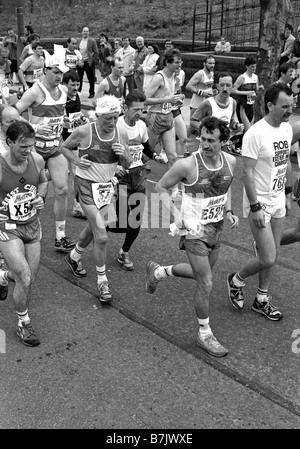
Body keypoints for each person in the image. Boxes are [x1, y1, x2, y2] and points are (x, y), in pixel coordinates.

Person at [146, 116, 239, 357]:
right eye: (203, 139)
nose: (205, 145)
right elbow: (160, 187)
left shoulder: (230, 161)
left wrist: (229, 211)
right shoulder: (188, 165)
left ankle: (158, 272)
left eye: (211, 141)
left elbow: (224, 188)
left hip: (216, 229)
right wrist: (176, 214)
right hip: (194, 231)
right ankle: (204, 333)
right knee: (205, 282)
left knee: (202, 272)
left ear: (224, 141)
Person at [227, 83, 296, 321]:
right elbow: (246, 173)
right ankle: (236, 280)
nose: (290, 110)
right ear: (270, 105)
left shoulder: (286, 130)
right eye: (285, 106)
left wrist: (287, 193)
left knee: (273, 254)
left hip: (277, 200)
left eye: (292, 105)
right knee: (267, 257)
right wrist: (255, 206)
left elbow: (284, 161)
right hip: (259, 202)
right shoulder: (255, 133)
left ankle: (261, 299)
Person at [61, 95, 132, 303]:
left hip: (106, 188)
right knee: (101, 235)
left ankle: (74, 256)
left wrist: (123, 156)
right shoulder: (85, 131)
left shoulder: (121, 134)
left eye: (115, 117)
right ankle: (103, 283)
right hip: (85, 186)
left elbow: (127, 166)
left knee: (94, 227)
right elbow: (64, 147)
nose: (112, 123)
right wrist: (76, 161)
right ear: (98, 116)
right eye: (108, 118)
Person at [15, 58, 76, 253]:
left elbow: (57, 113)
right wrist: (33, 127)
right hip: (35, 150)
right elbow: (12, 113)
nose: (59, 76)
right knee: (28, 193)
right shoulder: (35, 91)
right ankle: (18, 232)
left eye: (61, 73)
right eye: (55, 72)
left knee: (62, 189)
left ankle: (60, 236)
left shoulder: (64, 91)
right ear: (45, 70)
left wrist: (64, 121)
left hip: (55, 147)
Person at [0, 120, 48, 347]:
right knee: (25, 276)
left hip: (32, 226)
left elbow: (44, 182)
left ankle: (3, 276)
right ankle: (23, 323)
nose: (27, 151)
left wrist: (41, 197)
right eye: (22, 147)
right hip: (8, 228)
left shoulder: (36, 160)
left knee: (28, 279)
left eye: (31, 146)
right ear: (9, 142)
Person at [108, 90, 164, 270]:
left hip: (138, 177)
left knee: (136, 219)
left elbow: (146, 147)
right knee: (122, 219)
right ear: (125, 108)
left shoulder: (141, 125)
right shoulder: (116, 127)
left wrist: (156, 156)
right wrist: (114, 168)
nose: (139, 113)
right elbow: (106, 152)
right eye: (135, 109)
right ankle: (100, 227)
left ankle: (124, 252)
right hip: (122, 177)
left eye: (142, 109)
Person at [144, 48, 184, 198]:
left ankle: (174, 191)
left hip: (168, 117)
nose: (179, 65)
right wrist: (166, 100)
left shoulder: (174, 76)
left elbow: (170, 98)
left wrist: (176, 99)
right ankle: (129, 175)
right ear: (167, 62)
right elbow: (145, 99)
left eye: (180, 62)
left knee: (172, 156)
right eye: (176, 62)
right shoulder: (159, 77)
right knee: (147, 153)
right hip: (156, 117)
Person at [189, 72, 244, 155]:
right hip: (207, 148)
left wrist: (237, 125)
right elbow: (193, 121)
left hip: (223, 147)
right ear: (217, 86)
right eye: (222, 85)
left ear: (232, 87)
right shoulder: (208, 103)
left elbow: (231, 121)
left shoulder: (233, 102)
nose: (225, 89)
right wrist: (208, 130)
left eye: (228, 85)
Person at [62, 70, 88, 219]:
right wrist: (65, 121)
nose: (76, 87)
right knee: (76, 174)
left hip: (75, 140)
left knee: (74, 173)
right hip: (64, 141)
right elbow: (60, 118)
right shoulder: (62, 99)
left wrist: (83, 118)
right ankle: (77, 206)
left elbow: (77, 113)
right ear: (65, 84)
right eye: (72, 85)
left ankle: (77, 206)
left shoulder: (76, 95)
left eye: (78, 84)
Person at [231, 56, 264, 134]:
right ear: (246, 66)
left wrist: (260, 89)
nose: (254, 68)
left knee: (248, 131)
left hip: (251, 106)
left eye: (255, 66)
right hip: (243, 106)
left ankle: (241, 144)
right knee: (248, 131)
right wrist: (246, 93)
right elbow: (232, 90)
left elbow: (256, 92)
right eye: (252, 67)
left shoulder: (256, 77)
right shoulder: (242, 77)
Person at [186, 55, 215, 122]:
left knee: (205, 125)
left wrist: (213, 91)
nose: (212, 65)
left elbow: (208, 87)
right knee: (193, 124)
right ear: (204, 63)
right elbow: (188, 86)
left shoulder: (212, 73)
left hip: (207, 103)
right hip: (196, 104)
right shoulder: (200, 74)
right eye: (210, 63)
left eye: (213, 63)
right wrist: (202, 93)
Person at [78, 27, 99, 98]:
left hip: (88, 62)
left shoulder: (92, 41)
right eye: (84, 31)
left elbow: (96, 52)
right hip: (80, 62)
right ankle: (78, 91)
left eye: (87, 31)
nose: (85, 33)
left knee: (91, 78)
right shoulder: (79, 41)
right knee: (79, 77)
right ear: (82, 32)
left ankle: (92, 92)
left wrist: (92, 60)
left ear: (89, 32)